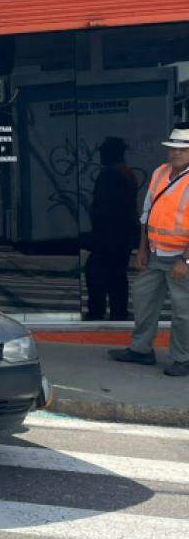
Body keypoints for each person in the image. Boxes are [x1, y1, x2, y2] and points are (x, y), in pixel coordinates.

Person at [109, 123, 189, 376]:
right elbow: (147, 213)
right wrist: (142, 249)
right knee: (143, 300)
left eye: (182, 149)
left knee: (183, 312)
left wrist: (185, 261)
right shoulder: (160, 172)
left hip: (181, 257)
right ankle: (141, 350)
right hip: (156, 253)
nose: (175, 153)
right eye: (173, 149)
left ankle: (183, 359)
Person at [85, 137, 138, 321]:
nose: (100, 155)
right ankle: (118, 312)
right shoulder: (126, 172)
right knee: (116, 275)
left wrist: (97, 234)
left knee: (96, 273)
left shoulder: (110, 174)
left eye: (103, 151)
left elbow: (105, 208)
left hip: (110, 235)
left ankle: (98, 312)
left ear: (111, 153)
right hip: (122, 235)